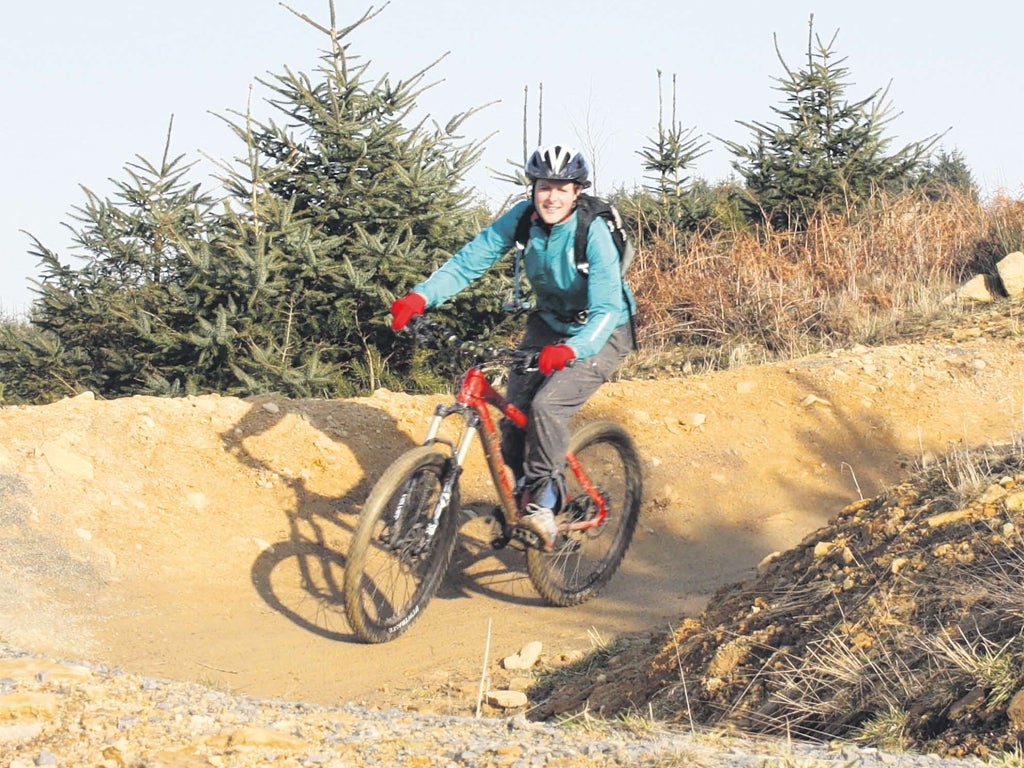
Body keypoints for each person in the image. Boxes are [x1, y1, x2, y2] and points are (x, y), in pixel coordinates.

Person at [389, 144, 636, 550]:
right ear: (533, 189)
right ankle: (523, 490)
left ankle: (545, 502)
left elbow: (608, 306)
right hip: (548, 324)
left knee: (547, 407)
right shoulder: (523, 220)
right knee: (514, 417)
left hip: (603, 331)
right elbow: (470, 260)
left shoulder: (592, 231)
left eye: (561, 187)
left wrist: (574, 349)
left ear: (577, 191)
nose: (551, 196)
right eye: (544, 186)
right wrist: (420, 298)